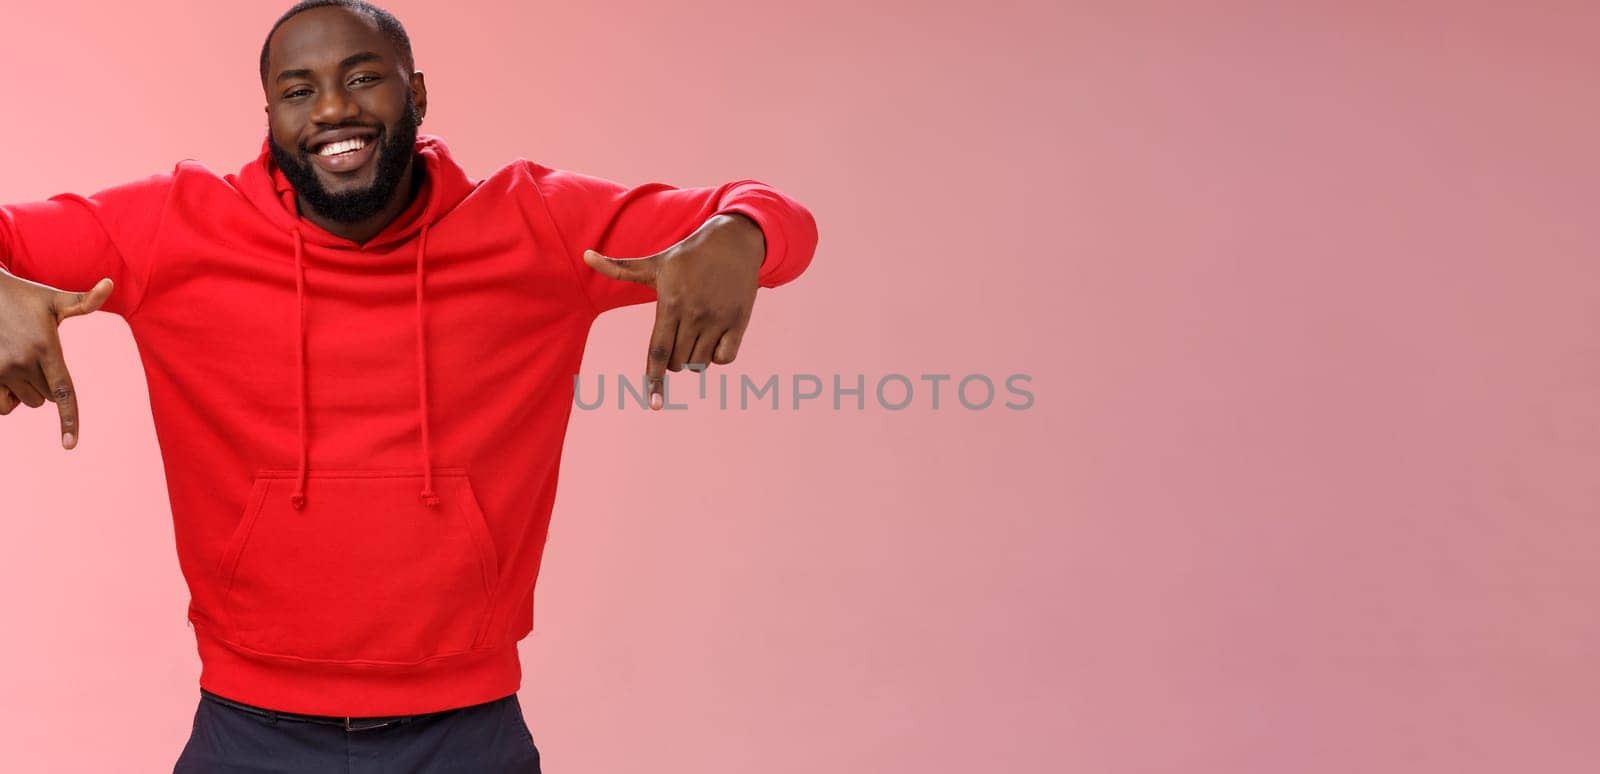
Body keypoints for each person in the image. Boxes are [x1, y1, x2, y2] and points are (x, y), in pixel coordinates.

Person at [0, 1, 818, 771]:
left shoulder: (537, 223)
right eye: (297, 91)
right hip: (247, 730)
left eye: (362, 77)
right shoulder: (175, 225)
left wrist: (738, 230)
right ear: (271, 118)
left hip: (469, 732)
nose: (330, 110)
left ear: (415, 91)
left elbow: (780, 221)